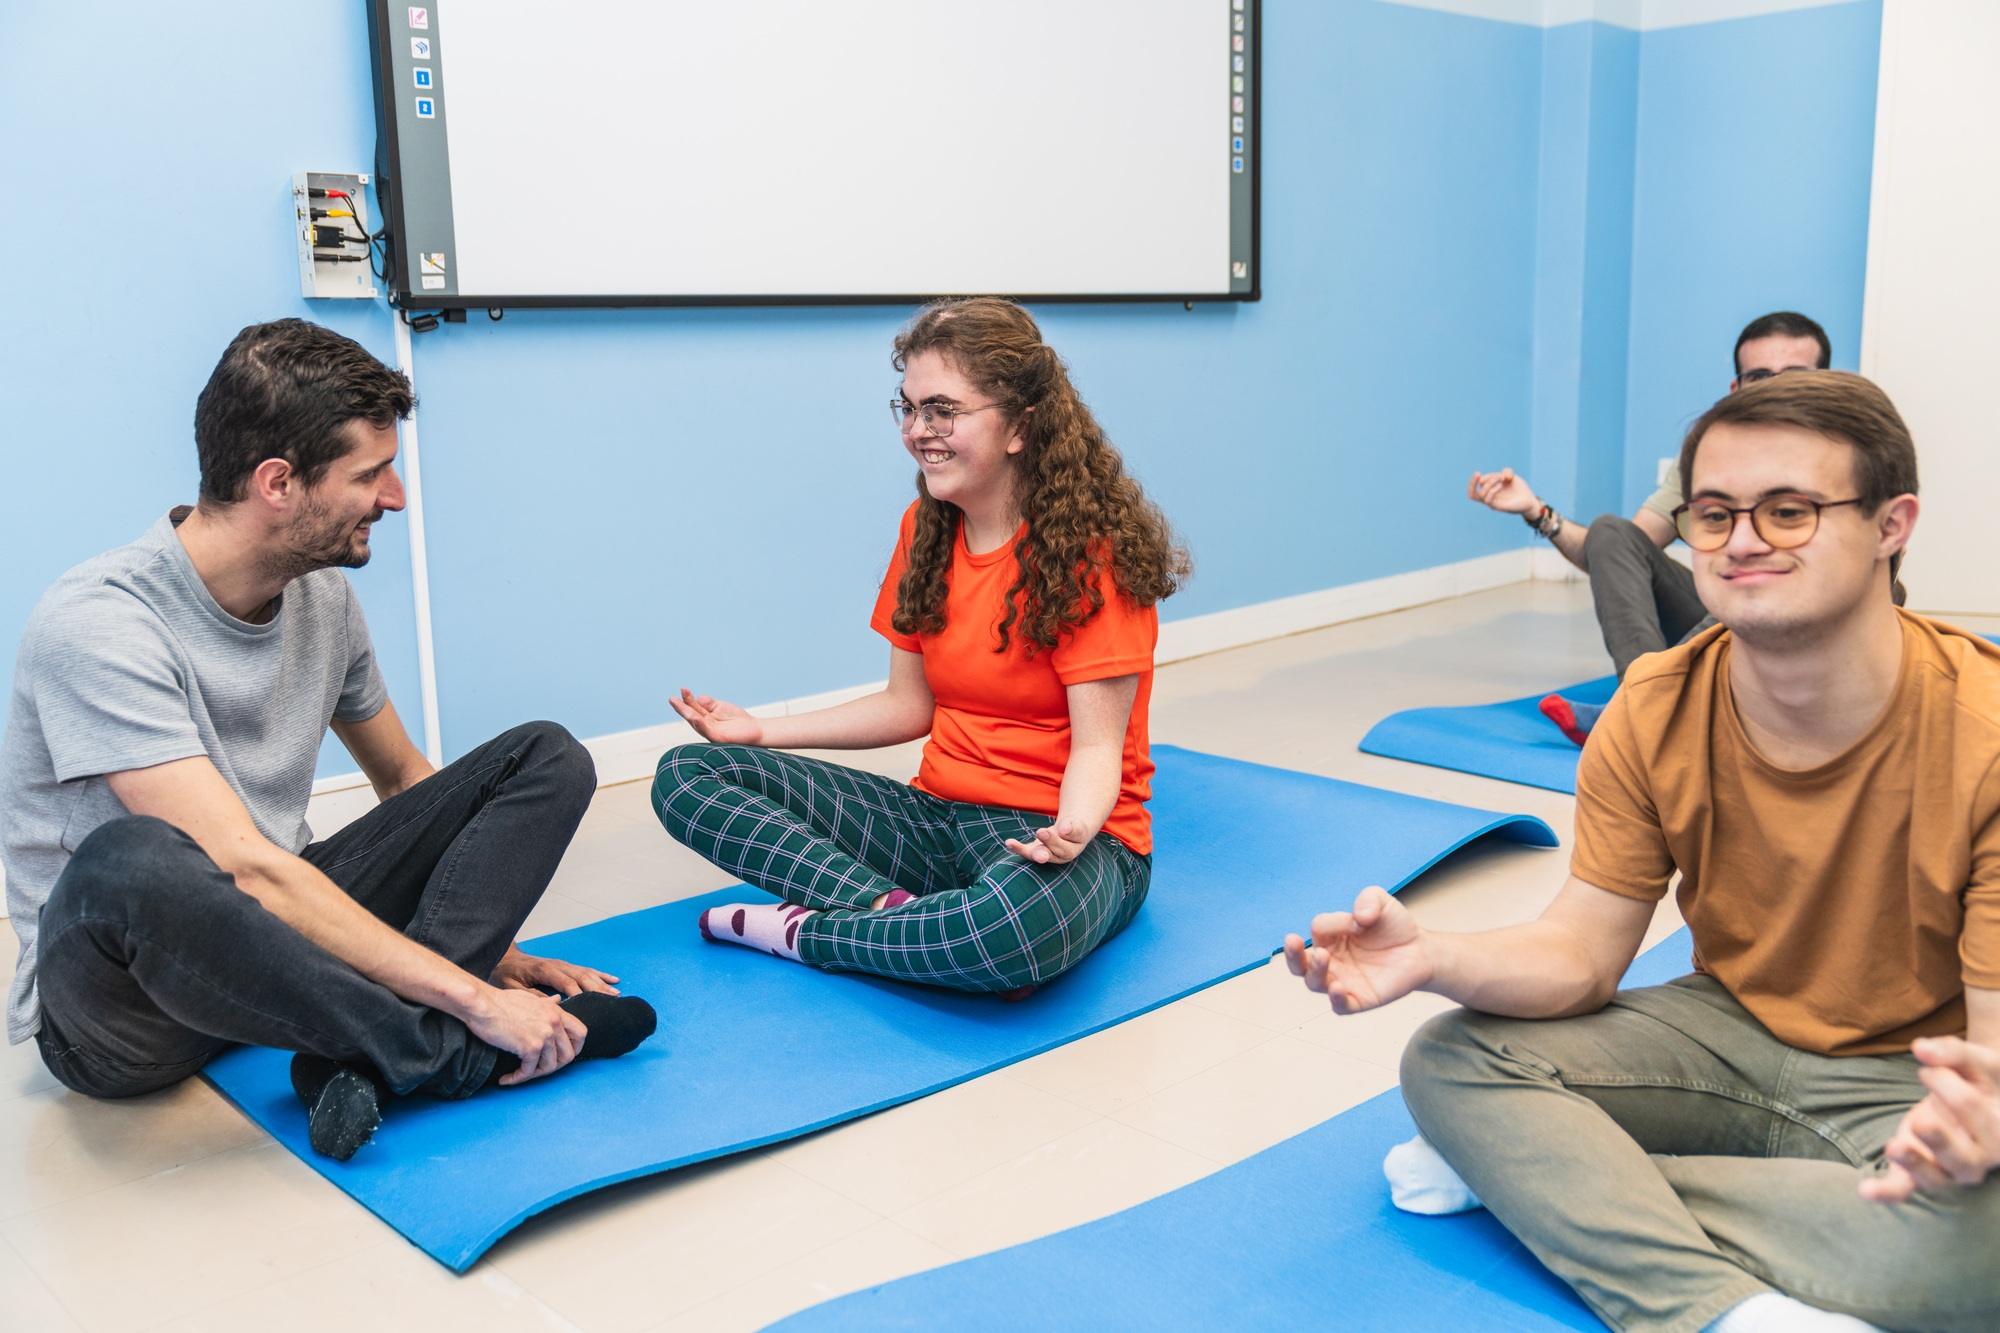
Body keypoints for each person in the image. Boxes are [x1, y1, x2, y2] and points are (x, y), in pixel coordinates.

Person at [1289, 371, 1998, 1330]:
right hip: (1726, 1033)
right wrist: (1434, 956)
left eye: (1789, 511)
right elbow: (1582, 952)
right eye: (1714, 514)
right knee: (1454, 1060)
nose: (1744, 540)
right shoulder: (1657, 704)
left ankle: (1548, 1181)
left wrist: (1973, 1135)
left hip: (1911, 1072)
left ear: (1891, 524)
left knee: (1980, 1249)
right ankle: (1724, 1310)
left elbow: (1987, 1060)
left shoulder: (1985, 729)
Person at [0, 319, 655, 1161]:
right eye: (371, 474)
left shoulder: (321, 598)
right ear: (279, 482)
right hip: (127, 1009)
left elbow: (410, 787)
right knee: (135, 859)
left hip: (277, 941)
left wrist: (497, 950)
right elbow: (240, 865)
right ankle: (443, 1050)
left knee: (547, 755)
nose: (395, 497)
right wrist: (473, 998)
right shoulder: (96, 624)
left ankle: (369, 1052)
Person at [652, 297, 1187, 995]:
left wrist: (1075, 828)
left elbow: (1097, 749)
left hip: (1071, 837)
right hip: (937, 818)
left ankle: (803, 931)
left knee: (1012, 935)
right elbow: (909, 705)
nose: (917, 432)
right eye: (907, 408)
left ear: (1021, 426)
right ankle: (891, 914)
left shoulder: (1093, 556)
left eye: (943, 411)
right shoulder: (926, 527)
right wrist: (760, 731)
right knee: (687, 777)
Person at [1467, 312, 1830, 744]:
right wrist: (1537, 511)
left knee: (1861, 587)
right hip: (1724, 616)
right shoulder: (1709, 456)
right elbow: (1616, 556)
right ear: (1736, 389)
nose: (1775, 390)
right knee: (1611, 531)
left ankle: (1642, 707)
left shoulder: (1849, 454)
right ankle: (1649, 704)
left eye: (1794, 376)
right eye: (1759, 376)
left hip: (1807, 622)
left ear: (1826, 383)